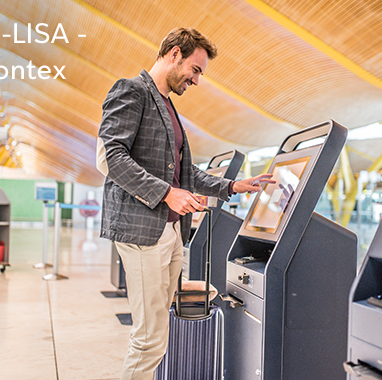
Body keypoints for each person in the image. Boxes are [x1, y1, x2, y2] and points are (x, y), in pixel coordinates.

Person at [97, 27, 274, 380]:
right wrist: (166, 193)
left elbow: (183, 171)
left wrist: (232, 186)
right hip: (143, 231)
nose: (196, 80)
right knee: (149, 339)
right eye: (195, 70)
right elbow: (110, 157)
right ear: (175, 54)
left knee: (159, 332)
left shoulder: (167, 106)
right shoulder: (132, 90)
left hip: (169, 231)